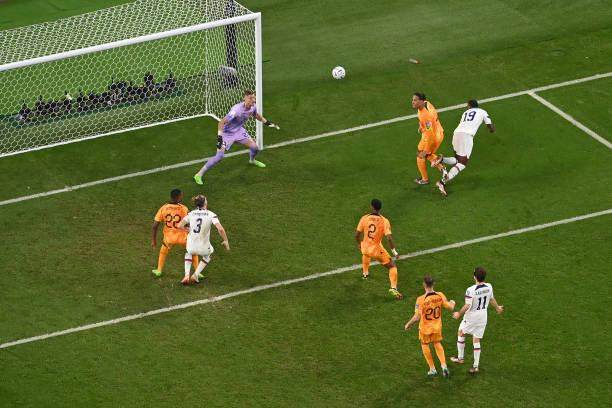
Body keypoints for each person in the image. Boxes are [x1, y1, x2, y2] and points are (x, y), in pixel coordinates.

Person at [193, 89, 279, 185]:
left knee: (255, 148)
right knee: (219, 157)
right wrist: (220, 138)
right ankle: (198, 175)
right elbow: (221, 122)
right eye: (251, 98)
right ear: (245, 98)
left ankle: (252, 160)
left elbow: (256, 115)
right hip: (226, 133)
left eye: (254, 98)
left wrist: (267, 123)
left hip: (239, 131)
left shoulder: (253, 107)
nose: (253, 100)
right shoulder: (236, 110)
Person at [434, 100, 495, 196]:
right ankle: (442, 181)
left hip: (456, 134)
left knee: (457, 159)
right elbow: (490, 126)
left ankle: (442, 160)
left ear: (469, 106)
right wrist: (492, 129)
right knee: (462, 163)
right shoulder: (482, 111)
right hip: (466, 136)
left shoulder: (465, 113)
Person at [450, 267, 504, 374]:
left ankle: (460, 358)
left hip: (471, 317)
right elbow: (492, 299)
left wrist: (458, 314)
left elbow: (467, 305)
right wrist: (497, 308)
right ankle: (475, 366)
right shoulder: (489, 286)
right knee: (476, 340)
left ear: (474, 277)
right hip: (483, 317)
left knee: (461, 332)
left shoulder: (471, 290)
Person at [405, 275, 456, 377]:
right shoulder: (440, 295)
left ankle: (432, 369)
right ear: (434, 284)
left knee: (424, 344)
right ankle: (444, 366)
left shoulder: (420, 299)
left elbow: (417, 317)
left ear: (424, 284)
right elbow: (450, 307)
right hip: (437, 327)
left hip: (425, 328)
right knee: (437, 343)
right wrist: (453, 302)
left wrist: (408, 324)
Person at [355, 199, 403, 299]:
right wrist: (394, 252)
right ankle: (393, 288)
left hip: (365, 247)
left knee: (366, 254)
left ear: (372, 207)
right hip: (376, 250)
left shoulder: (364, 218)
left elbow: (357, 235)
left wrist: (359, 244)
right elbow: (389, 238)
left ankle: (365, 274)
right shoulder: (384, 221)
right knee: (392, 266)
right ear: (380, 208)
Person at [177, 195, 230, 285]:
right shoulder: (211, 214)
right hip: (204, 248)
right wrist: (226, 241)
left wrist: (188, 230)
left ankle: (186, 275)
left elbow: (179, 225)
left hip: (191, 247)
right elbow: (220, 229)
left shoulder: (191, 214)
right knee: (209, 255)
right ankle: (195, 275)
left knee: (188, 253)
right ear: (205, 203)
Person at [151, 189, 199, 277]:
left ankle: (159, 270)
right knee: (193, 252)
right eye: (181, 195)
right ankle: (198, 272)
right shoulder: (184, 208)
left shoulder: (163, 208)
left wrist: (153, 240)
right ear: (178, 197)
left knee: (163, 251)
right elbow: (189, 223)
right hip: (183, 238)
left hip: (169, 238)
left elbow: (154, 226)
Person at [411, 92, 446, 185]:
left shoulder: (426, 116)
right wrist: (421, 126)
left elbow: (430, 134)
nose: (412, 102)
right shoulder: (426, 103)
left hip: (433, 136)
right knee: (424, 154)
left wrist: (426, 150)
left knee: (421, 155)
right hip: (438, 131)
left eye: (415, 100)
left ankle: (425, 179)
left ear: (421, 101)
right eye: (413, 100)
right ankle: (442, 168)